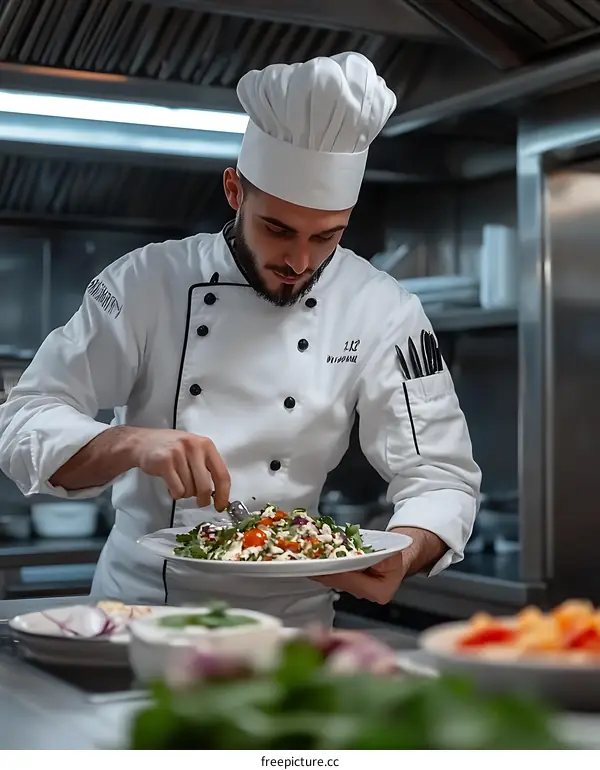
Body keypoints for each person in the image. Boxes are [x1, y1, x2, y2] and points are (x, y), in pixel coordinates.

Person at [0, 52, 481, 627]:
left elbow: (441, 475)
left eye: (326, 236)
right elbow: (24, 421)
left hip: (293, 627)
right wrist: (131, 443)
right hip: (141, 614)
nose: (299, 261)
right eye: (277, 229)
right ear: (234, 191)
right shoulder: (146, 282)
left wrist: (405, 550)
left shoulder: (383, 309)